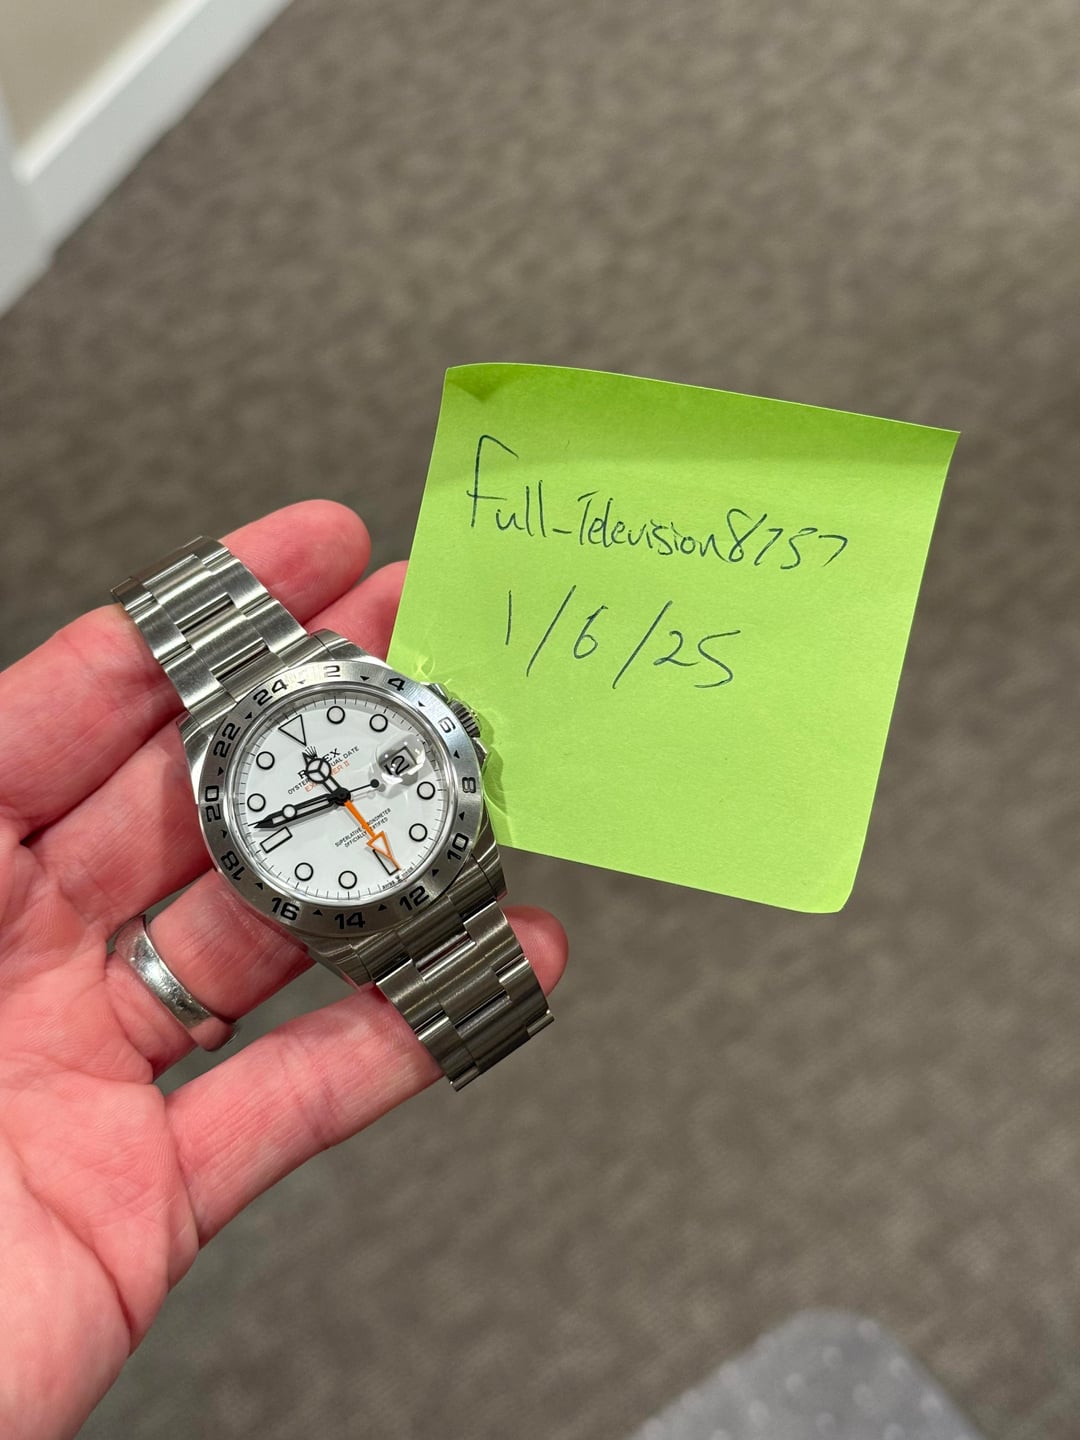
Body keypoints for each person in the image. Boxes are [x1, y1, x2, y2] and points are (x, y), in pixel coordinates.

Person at [0, 501, 568, 1440]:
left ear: (448, 731)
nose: (339, 796)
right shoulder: (239, 798)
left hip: (409, 858)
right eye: (319, 800)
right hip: (355, 890)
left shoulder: (362, 702)